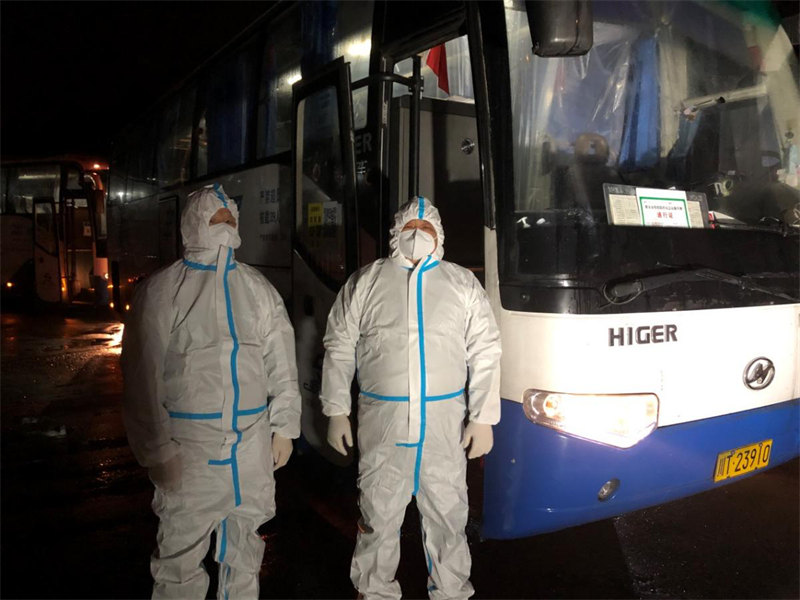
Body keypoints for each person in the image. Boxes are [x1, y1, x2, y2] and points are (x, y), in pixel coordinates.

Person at [121, 183, 302, 599]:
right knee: (180, 555)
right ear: (193, 224)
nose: (224, 225)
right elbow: (142, 378)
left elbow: (281, 359)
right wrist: (157, 451)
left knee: (246, 547)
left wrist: (284, 426)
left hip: (251, 444)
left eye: (229, 218)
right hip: (190, 448)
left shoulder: (256, 288)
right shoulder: (162, 290)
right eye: (214, 218)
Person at [321, 196, 502, 599]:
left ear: (439, 235)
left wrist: (483, 416)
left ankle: (451, 591)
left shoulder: (460, 283)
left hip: (443, 426)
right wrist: (336, 409)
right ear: (395, 233)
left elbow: (486, 349)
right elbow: (339, 345)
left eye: (426, 228)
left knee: (448, 516)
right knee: (378, 516)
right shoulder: (367, 282)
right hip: (384, 425)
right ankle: (375, 592)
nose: (418, 235)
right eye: (410, 227)